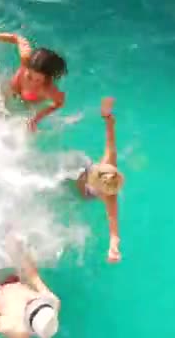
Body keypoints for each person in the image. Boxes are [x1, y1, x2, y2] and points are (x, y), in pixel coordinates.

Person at [0, 23, 67, 132]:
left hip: (29, 103)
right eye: (29, 75)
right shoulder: (26, 59)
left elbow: (59, 103)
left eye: (38, 80)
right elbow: (18, 38)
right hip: (11, 90)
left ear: (46, 78)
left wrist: (36, 119)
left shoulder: (49, 90)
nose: (31, 81)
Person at [0, 236, 60, 338]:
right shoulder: (51, 300)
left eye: (30, 305)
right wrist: (16, 248)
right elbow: (33, 276)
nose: (30, 301)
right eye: (34, 302)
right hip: (11, 275)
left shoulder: (12, 327)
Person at [76, 97, 124, 263]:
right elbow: (111, 135)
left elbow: (114, 233)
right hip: (81, 171)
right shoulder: (110, 160)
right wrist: (107, 116)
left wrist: (113, 249)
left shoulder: (110, 198)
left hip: (83, 193)